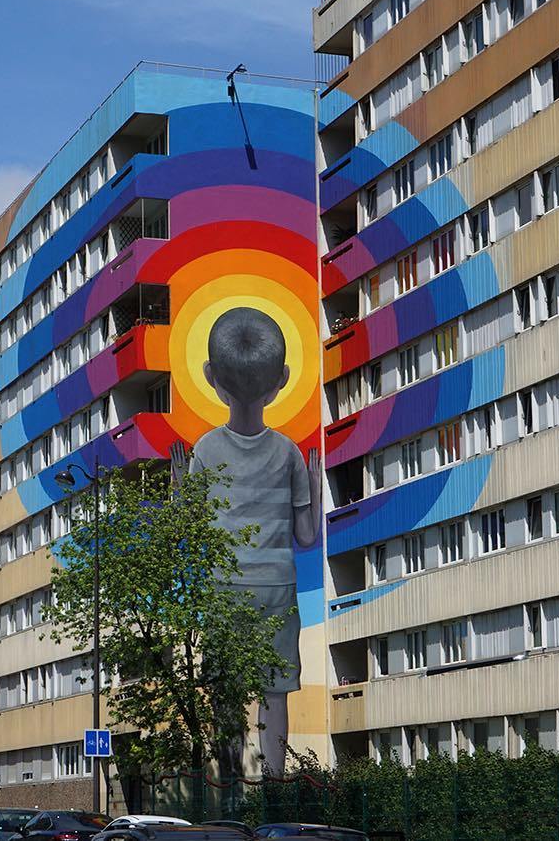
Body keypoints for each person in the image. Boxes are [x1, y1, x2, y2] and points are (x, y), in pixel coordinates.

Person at [170, 306, 321, 777]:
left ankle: (231, 787)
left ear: (211, 377)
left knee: (226, 696)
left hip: (223, 592)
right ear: (282, 381)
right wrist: (316, 488)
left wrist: (179, 490)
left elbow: (188, 533)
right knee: (274, 694)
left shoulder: (205, 451)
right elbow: (307, 536)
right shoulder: (289, 453)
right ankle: (274, 788)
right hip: (277, 589)